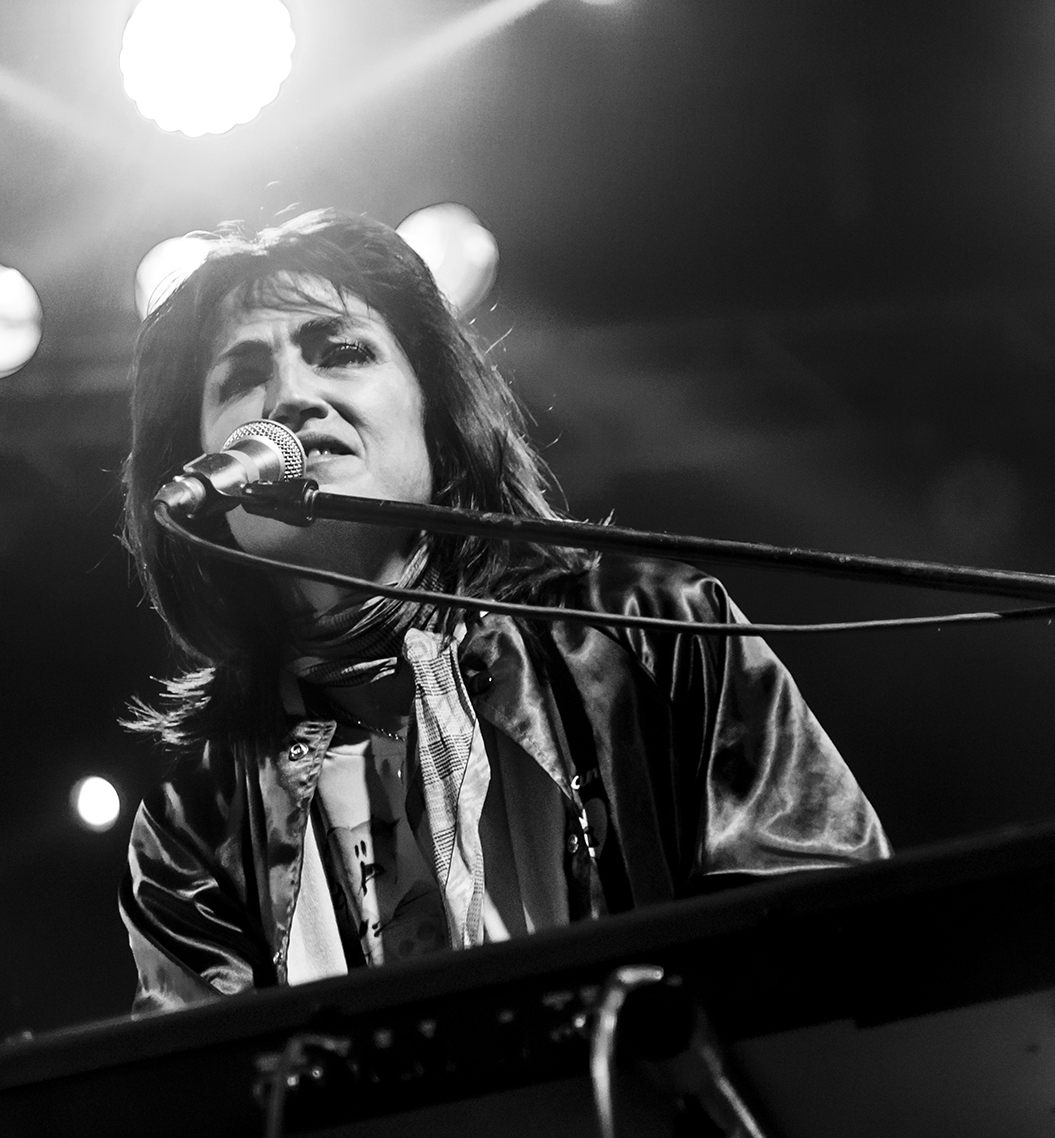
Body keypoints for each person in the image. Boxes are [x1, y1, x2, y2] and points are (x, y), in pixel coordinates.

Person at [119, 209, 887, 1012]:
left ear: (434, 414)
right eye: (241, 379)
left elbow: (829, 955)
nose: (292, 398)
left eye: (341, 352)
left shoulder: (652, 631)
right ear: (202, 469)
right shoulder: (194, 819)